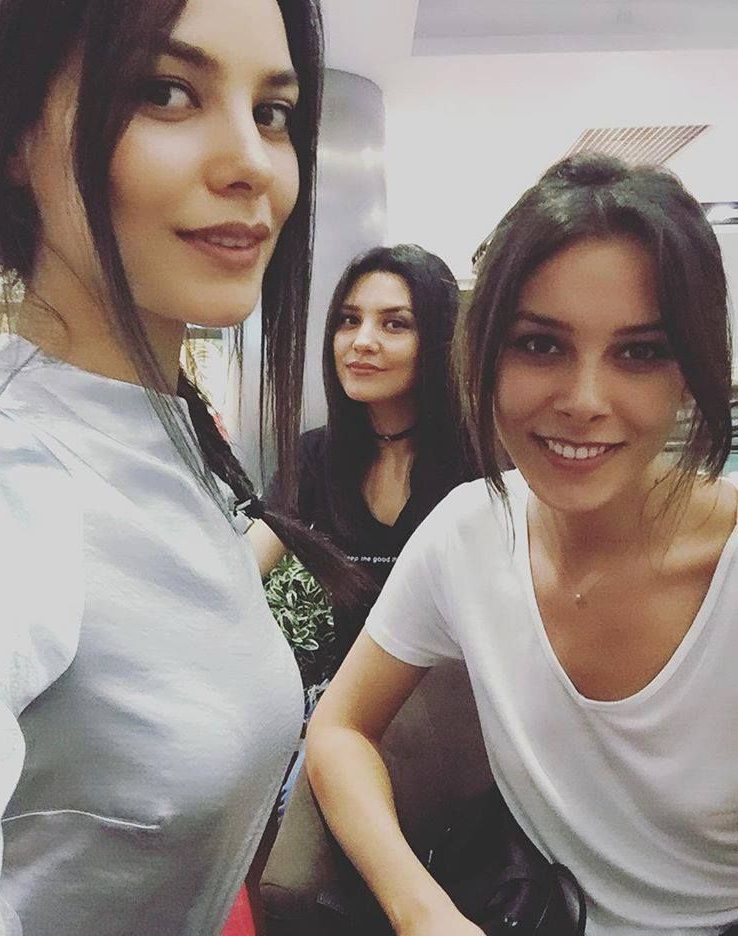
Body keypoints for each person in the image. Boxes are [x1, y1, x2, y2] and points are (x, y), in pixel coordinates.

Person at [0, 0, 360, 933]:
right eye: (166, 92)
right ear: (18, 135)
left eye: (272, 112)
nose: (252, 163)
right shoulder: (10, 470)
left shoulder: (170, 428)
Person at [305, 154, 738, 936]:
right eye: (540, 345)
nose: (584, 400)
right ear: (484, 355)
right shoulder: (470, 531)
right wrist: (420, 910)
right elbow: (339, 730)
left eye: (640, 352)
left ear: (690, 371)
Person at [250, 243, 473, 662]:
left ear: (439, 339)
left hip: (463, 694)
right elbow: (245, 566)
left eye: (395, 324)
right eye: (349, 320)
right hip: (352, 696)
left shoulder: (480, 461)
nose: (362, 341)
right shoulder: (314, 456)